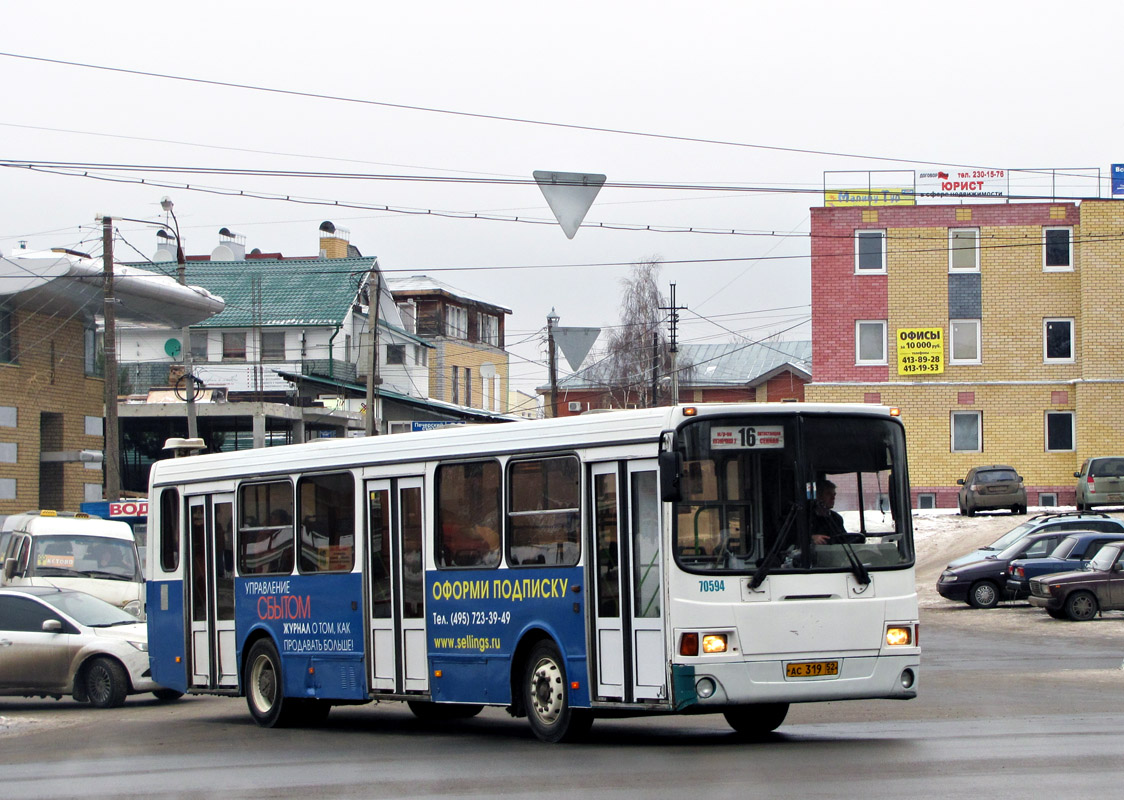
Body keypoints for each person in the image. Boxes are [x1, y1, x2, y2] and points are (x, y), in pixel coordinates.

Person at [810, 479, 861, 545]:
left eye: (834, 495)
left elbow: (843, 539)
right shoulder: (807, 518)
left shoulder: (836, 518)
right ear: (818, 496)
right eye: (828, 494)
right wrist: (812, 538)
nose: (833, 498)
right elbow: (795, 539)